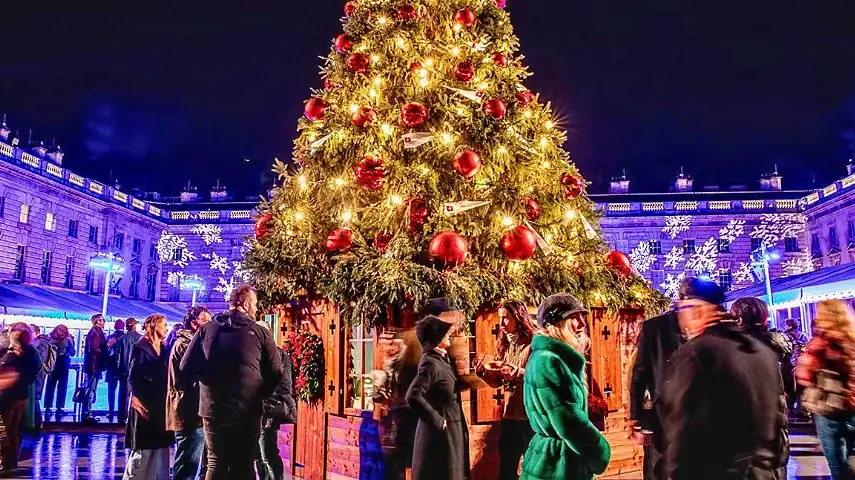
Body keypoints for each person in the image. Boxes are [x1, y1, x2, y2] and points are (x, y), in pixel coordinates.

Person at [662, 279, 788, 479]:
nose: (680, 318)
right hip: (765, 471)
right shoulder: (762, 351)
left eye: (682, 309)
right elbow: (778, 415)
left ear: (696, 310)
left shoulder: (699, 352)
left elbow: (687, 429)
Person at [180, 285, 284, 480]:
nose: (255, 309)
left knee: (215, 462)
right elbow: (277, 371)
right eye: (254, 304)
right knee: (244, 463)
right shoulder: (259, 332)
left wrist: (207, 384)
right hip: (248, 408)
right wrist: (260, 394)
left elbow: (185, 366)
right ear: (246, 304)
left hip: (213, 407)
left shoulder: (207, 329)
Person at [520, 294, 609, 480]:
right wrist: (599, 451)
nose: (582, 325)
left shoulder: (550, 358)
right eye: (573, 319)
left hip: (555, 459)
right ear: (555, 323)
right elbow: (569, 422)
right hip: (559, 465)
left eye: (581, 317)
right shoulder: (549, 362)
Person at [473, 301, 536, 480]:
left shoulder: (534, 342)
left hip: (529, 417)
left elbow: (540, 374)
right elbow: (498, 382)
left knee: (533, 469)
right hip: (509, 417)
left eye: (506, 318)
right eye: (500, 318)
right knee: (506, 469)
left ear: (518, 317)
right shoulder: (506, 343)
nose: (501, 323)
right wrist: (483, 372)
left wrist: (515, 371)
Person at [406, 311, 470, 480]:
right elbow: (413, 396)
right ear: (435, 337)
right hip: (440, 437)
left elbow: (447, 386)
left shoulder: (442, 359)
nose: (448, 334)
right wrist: (438, 420)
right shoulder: (430, 363)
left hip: (451, 430)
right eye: (444, 331)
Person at [795, 300, 855, 480]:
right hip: (852, 405)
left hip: (828, 408)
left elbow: (804, 374)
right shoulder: (852, 339)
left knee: (837, 462)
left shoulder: (820, 343)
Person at [629, 294, 684, 480]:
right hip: (663, 418)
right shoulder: (656, 328)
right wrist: (638, 420)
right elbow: (640, 375)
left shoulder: (710, 331)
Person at [123, 314, 173, 480]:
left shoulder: (165, 348)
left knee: (160, 447)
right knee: (143, 447)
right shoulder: (141, 347)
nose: (166, 328)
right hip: (145, 402)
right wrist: (136, 397)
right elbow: (134, 375)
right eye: (164, 325)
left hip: (161, 403)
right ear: (154, 326)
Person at [730, 298, 796, 417]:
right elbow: (788, 376)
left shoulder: (738, 346)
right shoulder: (778, 343)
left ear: (739, 320)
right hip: (775, 410)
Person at [168, 307, 212, 480]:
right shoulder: (186, 345)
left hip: (194, 409)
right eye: (206, 321)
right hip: (189, 410)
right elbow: (197, 374)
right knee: (188, 463)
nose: (210, 325)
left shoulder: (191, 343)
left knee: (195, 461)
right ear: (195, 324)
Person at [255, 319, 296, 480]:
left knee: (268, 453)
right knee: (257, 455)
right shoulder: (256, 353)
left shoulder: (277, 354)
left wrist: (267, 407)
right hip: (256, 411)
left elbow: (283, 385)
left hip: (270, 410)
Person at [0, 323, 41, 473]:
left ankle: (6, 460)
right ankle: (11, 460)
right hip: (20, 393)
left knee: (6, 428)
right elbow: (35, 368)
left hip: (9, 393)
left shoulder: (16, 351)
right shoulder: (28, 351)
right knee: (13, 429)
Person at [114, 318, 142, 424]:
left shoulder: (121, 339)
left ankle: (122, 416)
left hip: (124, 371)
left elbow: (118, 357)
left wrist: (118, 370)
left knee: (123, 395)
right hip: (137, 371)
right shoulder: (141, 338)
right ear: (135, 326)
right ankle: (134, 416)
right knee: (137, 394)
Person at [43, 324, 75, 417]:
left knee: (50, 387)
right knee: (62, 388)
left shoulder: (51, 339)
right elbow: (72, 353)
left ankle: (48, 408)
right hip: (63, 365)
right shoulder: (67, 340)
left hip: (52, 365)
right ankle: (59, 409)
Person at [82, 314, 107, 423]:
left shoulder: (96, 333)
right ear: (96, 322)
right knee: (91, 389)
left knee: (91, 388)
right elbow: (94, 349)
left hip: (94, 365)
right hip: (94, 365)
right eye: (101, 320)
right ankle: (87, 413)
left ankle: (87, 412)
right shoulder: (95, 334)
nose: (103, 322)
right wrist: (107, 349)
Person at [785, 318, 810, 416]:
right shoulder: (804, 335)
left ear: (789, 326)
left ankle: (790, 408)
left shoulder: (785, 336)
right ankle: (803, 409)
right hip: (803, 364)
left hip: (788, 365)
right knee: (801, 388)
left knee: (790, 388)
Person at [29, 324, 51, 428]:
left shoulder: (41, 343)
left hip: (37, 375)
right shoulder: (36, 343)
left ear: (36, 333)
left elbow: (40, 361)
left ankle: (37, 423)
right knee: (33, 397)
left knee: (35, 397)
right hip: (36, 374)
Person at [105, 319, 125, 421]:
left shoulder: (111, 337)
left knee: (111, 390)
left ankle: (111, 411)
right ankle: (122, 412)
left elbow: (106, 352)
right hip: (122, 368)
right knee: (123, 391)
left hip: (112, 367)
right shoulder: (126, 337)